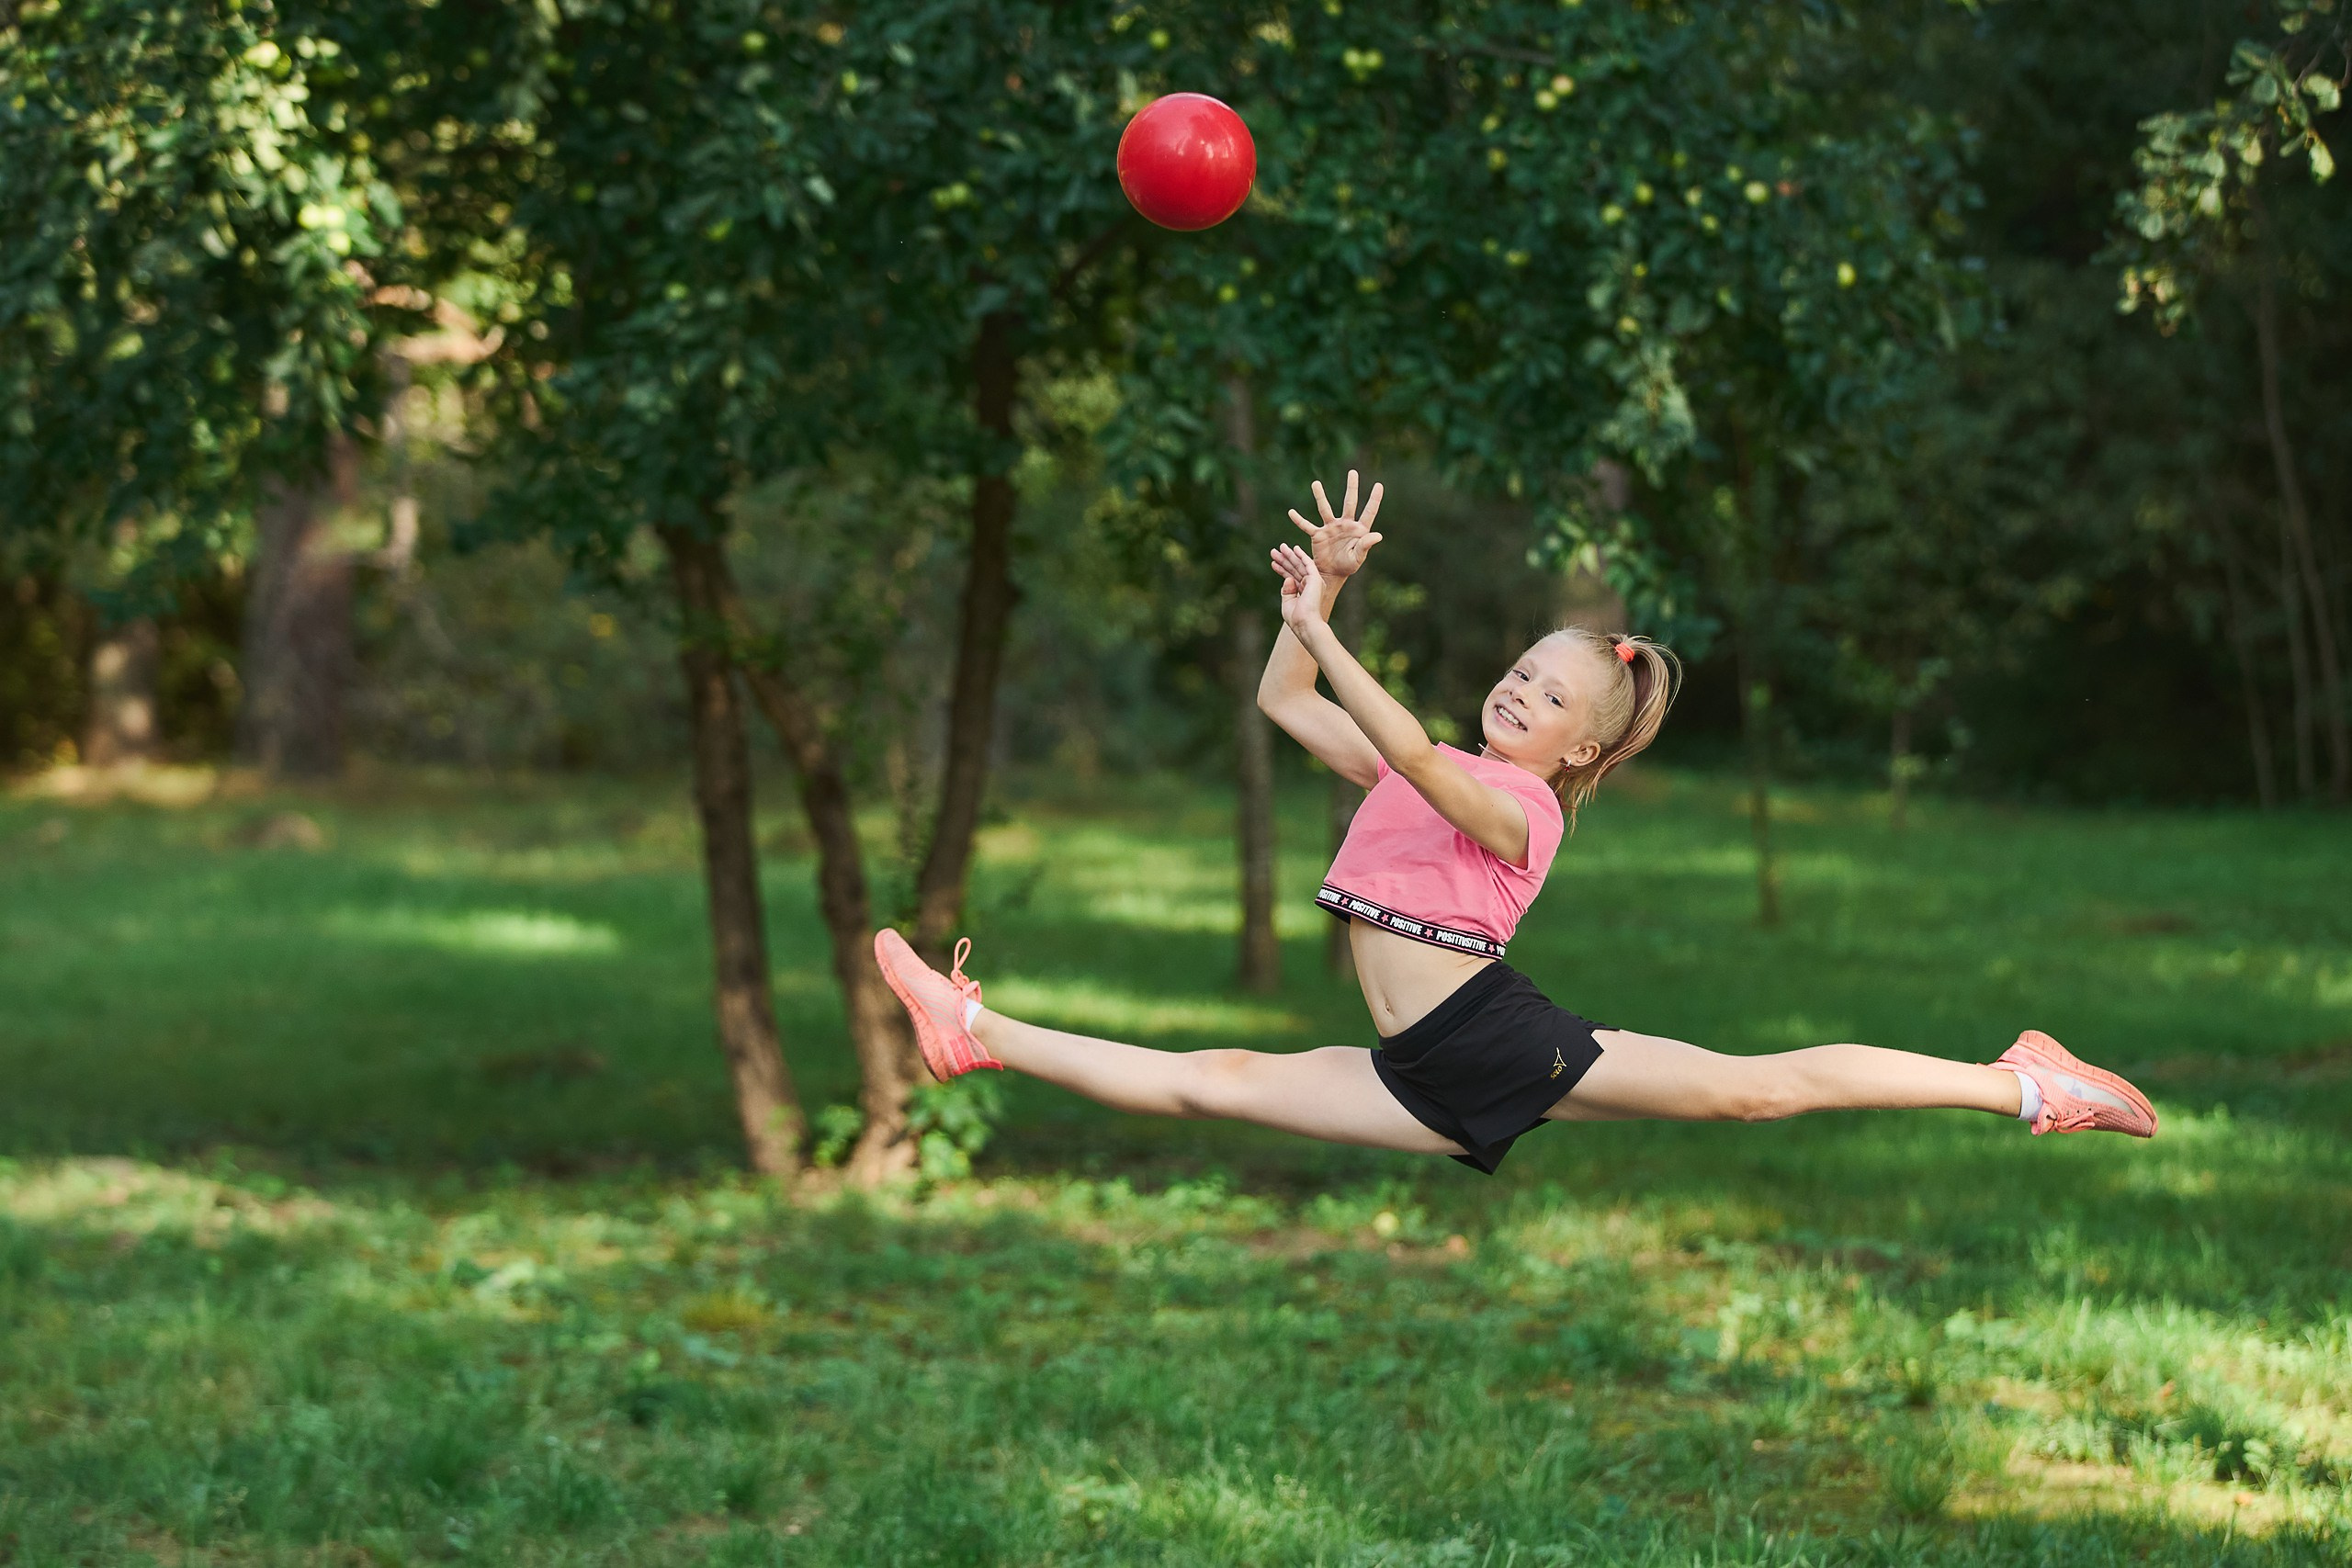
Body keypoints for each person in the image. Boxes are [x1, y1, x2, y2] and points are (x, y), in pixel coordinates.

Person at [874, 472, 2157, 1172]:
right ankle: (971, 1029)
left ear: (1580, 744)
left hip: (1491, 1040)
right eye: (1521, 670)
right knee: (1210, 1089)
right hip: (1420, 1070)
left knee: (1762, 1096)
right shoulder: (1420, 755)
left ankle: (2029, 1084)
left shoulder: (1522, 804)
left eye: (1551, 695)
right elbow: (1285, 699)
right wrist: (1311, 600)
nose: (1520, 691)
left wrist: (1331, 633)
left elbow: (1424, 776)